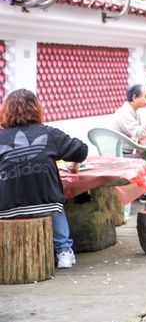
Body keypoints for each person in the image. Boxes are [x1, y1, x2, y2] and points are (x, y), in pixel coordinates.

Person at [0, 89, 88, 269]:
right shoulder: (49, 134)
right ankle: (63, 251)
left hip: (5, 209)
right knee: (55, 205)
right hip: (46, 206)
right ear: (37, 109)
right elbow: (81, 150)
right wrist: (73, 163)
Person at [111, 84, 146, 163]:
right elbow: (138, 134)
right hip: (120, 155)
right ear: (135, 97)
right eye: (145, 97)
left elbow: (144, 130)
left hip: (128, 153)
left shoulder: (135, 111)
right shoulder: (124, 113)